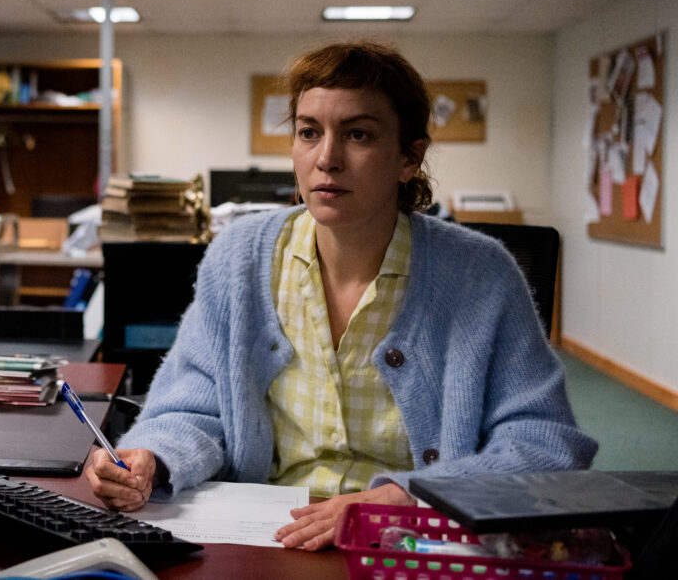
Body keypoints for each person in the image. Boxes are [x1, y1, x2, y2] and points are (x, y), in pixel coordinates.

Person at [85, 41, 597, 551]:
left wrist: (409, 498)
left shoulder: (480, 275)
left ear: (409, 157)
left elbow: (544, 443)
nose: (327, 159)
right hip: (268, 538)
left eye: (358, 134)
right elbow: (193, 403)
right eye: (309, 132)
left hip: (409, 543)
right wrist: (153, 456)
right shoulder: (238, 258)